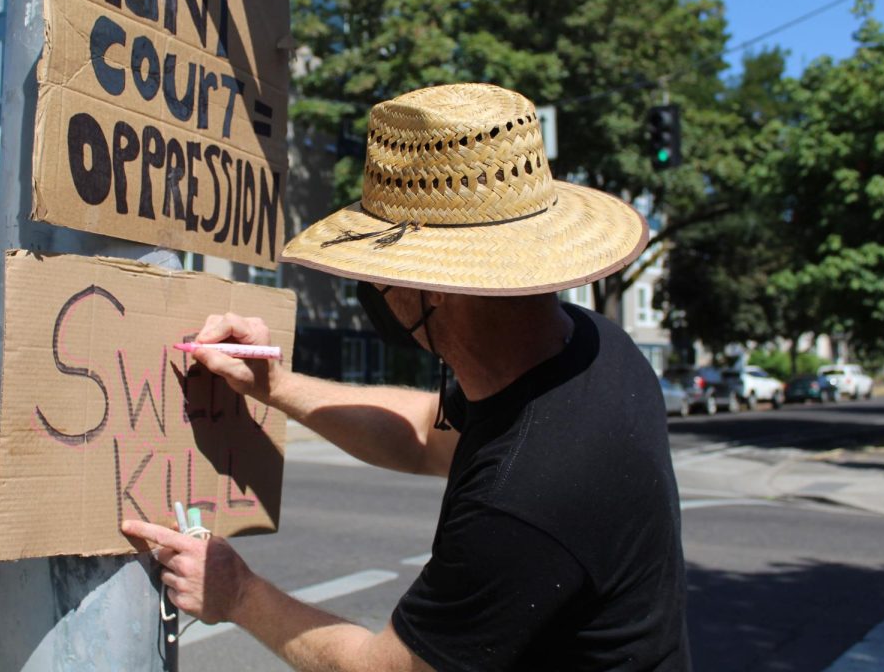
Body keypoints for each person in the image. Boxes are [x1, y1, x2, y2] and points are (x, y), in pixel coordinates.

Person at [123, 83, 690, 670]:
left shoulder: (523, 497)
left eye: (378, 273)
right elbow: (425, 434)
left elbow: (385, 669)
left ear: (435, 290)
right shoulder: (595, 347)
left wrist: (238, 594)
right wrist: (276, 386)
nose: (373, 292)